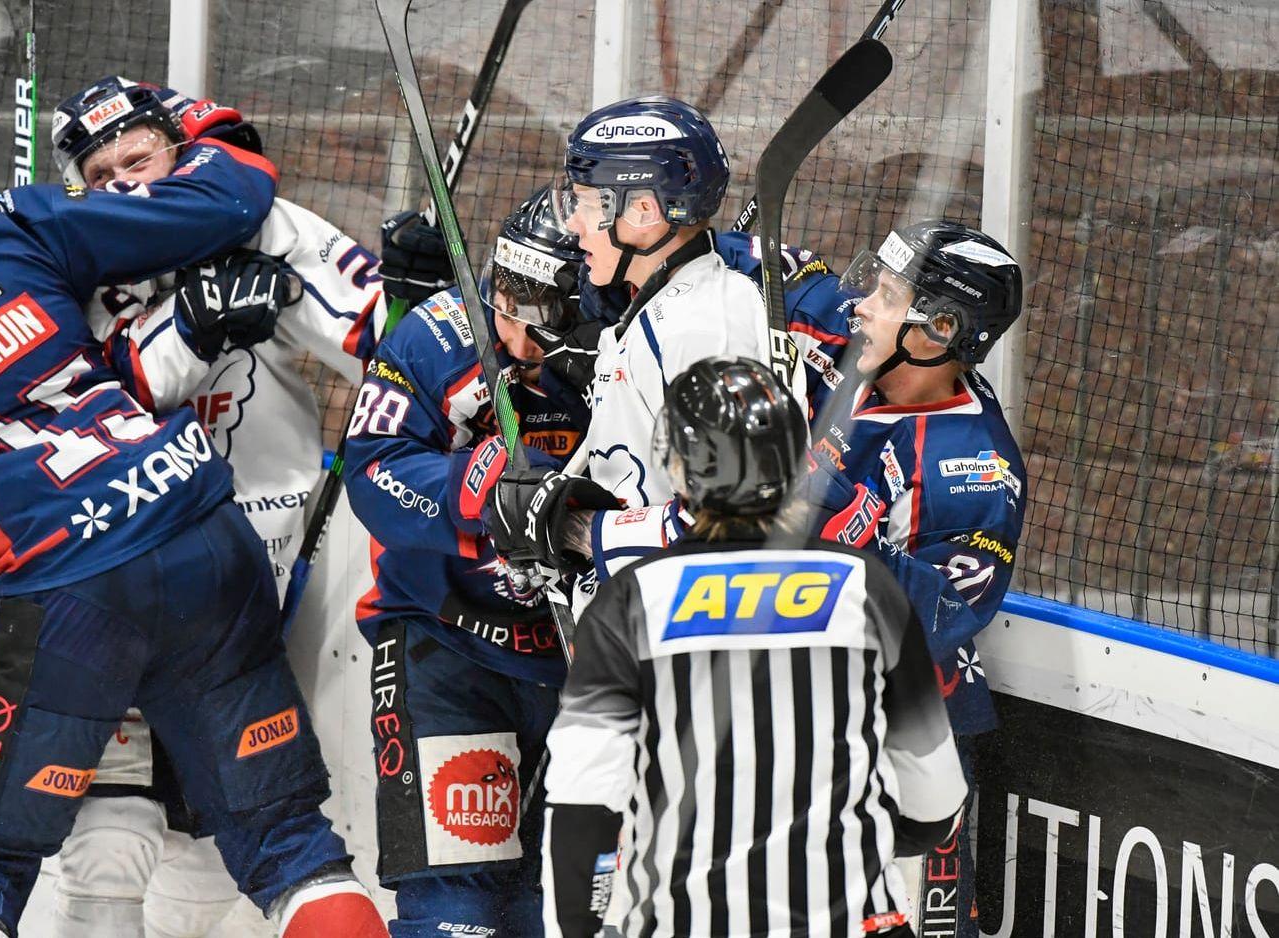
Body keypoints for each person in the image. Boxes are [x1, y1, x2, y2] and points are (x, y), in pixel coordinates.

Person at [0, 119, 386, 937]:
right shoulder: (11, 225)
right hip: (203, 532)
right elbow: (235, 192)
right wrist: (207, 135)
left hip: (67, 591)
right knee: (291, 847)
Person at [45, 75, 425, 938]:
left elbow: (392, 355)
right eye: (102, 174)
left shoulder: (263, 228)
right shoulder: (67, 266)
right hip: (126, 579)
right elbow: (59, 423)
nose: (127, 185)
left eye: (138, 157)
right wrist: (185, 333)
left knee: (303, 823)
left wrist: (413, 298)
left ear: (179, 145)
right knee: (115, 839)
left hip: (288, 573)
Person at [540, 355, 967, 937]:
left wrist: (581, 928)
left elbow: (583, 809)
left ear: (684, 471)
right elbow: (936, 800)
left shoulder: (631, 602)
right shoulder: (866, 588)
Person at [341, 187, 589, 937]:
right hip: (446, 648)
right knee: (452, 916)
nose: (515, 341)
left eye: (540, 326)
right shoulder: (434, 335)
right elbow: (371, 471)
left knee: (559, 913)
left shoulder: (632, 342)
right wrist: (474, 489)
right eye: (506, 306)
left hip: (584, 667)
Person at [782, 220, 1027, 935]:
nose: (859, 306)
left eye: (884, 295)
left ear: (936, 330)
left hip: (911, 738)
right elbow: (809, 295)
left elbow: (943, 618)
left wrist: (835, 528)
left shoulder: (972, 469)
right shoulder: (880, 356)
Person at [485, 95, 805, 598]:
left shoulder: (703, 327)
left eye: (586, 203)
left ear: (643, 209)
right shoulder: (662, 309)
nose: (573, 224)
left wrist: (579, 531)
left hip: (689, 649)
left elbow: (738, 535)